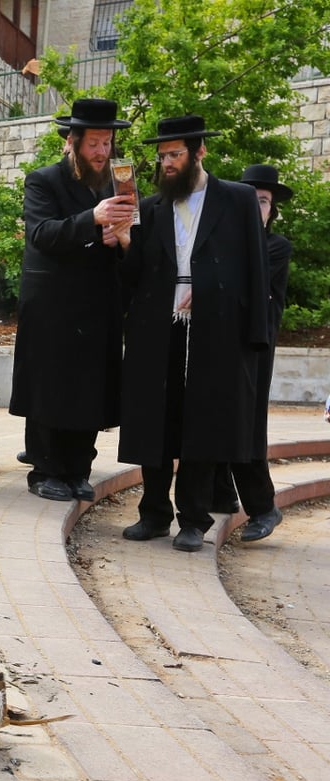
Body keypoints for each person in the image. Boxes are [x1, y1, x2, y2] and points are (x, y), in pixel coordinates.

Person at [119, 116, 269, 552]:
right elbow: (133, 277)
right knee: (155, 420)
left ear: (199, 152)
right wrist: (127, 243)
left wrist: (252, 336)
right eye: (163, 155)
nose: (166, 163)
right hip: (156, 329)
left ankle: (193, 520)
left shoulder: (237, 200)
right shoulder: (150, 207)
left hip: (216, 330)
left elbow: (253, 268)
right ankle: (153, 514)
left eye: (175, 154)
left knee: (201, 424)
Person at [9, 98, 136, 502]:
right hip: (54, 306)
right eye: (93, 144)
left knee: (91, 388)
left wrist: (125, 241)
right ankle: (46, 470)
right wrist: (92, 218)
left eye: (107, 143)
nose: (102, 152)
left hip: (100, 302)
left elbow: (135, 240)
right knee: (51, 388)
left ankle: (79, 468)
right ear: (72, 142)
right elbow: (41, 234)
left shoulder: (121, 183)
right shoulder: (43, 181)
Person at [215, 165, 294, 543]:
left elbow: (244, 278)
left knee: (247, 426)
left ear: (271, 210)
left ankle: (263, 507)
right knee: (216, 416)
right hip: (220, 343)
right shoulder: (225, 243)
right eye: (249, 200)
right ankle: (222, 494)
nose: (256, 207)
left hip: (255, 349)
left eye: (262, 201)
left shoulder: (275, 246)